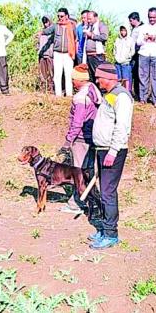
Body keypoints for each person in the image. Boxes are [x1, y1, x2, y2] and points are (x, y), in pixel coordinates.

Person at [89, 63, 134, 250]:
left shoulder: (121, 96)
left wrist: (113, 151)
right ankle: (104, 229)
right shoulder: (110, 95)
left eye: (99, 78)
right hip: (102, 148)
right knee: (104, 191)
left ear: (108, 78)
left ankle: (111, 234)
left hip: (111, 150)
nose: (97, 81)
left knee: (107, 192)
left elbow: (122, 126)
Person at [59, 64, 103, 214]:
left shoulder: (81, 98)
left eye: (73, 79)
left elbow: (77, 122)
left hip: (82, 139)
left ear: (79, 80)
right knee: (88, 170)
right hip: (93, 137)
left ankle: (76, 204)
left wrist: (68, 141)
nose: (72, 82)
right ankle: (93, 201)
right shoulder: (93, 90)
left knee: (78, 172)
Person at [40, 8, 77, 97]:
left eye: (62, 16)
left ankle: (69, 95)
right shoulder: (56, 26)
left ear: (67, 16)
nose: (60, 18)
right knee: (57, 75)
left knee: (68, 75)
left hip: (68, 53)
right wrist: (41, 33)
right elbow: (47, 31)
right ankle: (58, 95)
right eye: (58, 16)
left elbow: (76, 38)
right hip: (57, 53)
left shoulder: (72, 26)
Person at [136, 7, 156, 107]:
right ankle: (143, 98)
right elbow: (138, 42)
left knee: (155, 77)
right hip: (144, 54)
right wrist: (144, 39)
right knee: (143, 77)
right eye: (150, 17)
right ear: (148, 16)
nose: (152, 19)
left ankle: (155, 99)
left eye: (154, 17)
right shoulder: (143, 27)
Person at [84, 11, 109, 79]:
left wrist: (92, 35)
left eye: (90, 19)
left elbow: (104, 37)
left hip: (97, 55)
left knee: (98, 75)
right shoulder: (89, 26)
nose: (88, 21)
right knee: (91, 76)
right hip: (89, 55)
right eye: (88, 19)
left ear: (96, 17)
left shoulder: (101, 25)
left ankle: (100, 89)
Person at [114, 26, 135, 92]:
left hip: (126, 63)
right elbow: (114, 49)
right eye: (121, 30)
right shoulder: (117, 39)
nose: (123, 32)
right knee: (119, 79)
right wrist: (115, 56)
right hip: (118, 62)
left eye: (124, 30)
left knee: (126, 79)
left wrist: (128, 56)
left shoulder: (130, 40)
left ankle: (128, 93)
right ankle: (120, 93)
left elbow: (132, 51)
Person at [128, 12, 144, 99]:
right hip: (132, 54)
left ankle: (139, 94)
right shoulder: (134, 29)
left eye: (131, 21)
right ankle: (134, 92)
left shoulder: (142, 28)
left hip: (139, 53)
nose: (130, 22)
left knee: (139, 74)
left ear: (135, 19)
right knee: (133, 73)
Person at [38, 15, 54, 93]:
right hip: (41, 55)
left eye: (46, 22)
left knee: (51, 73)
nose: (45, 24)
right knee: (43, 73)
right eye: (44, 22)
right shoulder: (41, 31)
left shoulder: (53, 31)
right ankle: (44, 88)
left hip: (49, 55)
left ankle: (51, 89)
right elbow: (38, 43)